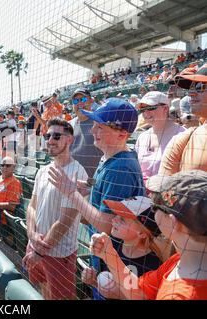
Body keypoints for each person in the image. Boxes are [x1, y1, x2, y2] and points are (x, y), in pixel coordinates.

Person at [47, 98, 145, 300]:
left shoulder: (120, 167)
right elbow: (105, 186)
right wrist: (88, 185)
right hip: (104, 258)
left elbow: (106, 225)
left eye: (100, 127)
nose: (92, 131)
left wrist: (71, 192)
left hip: (117, 263)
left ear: (122, 133)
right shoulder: (113, 157)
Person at [90, 170, 207, 300]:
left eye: (157, 207)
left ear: (173, 223)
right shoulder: (178, 261)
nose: (154, 209)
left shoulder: (179, 295)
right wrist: (109, 255)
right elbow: (140, 293)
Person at [23, 118, 88, 300]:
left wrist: (39, 251)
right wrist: (31, 234)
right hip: (36, 245)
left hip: (59, 253)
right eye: (47, 135)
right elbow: (31, 207)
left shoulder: (77, 172)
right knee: (44, 290)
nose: (50, 140)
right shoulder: (43, 170)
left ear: (69, 140)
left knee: (61, 297)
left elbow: (65, 220)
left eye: (56, 136)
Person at [82, 196, 165, 299]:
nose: (114, 219)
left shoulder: (153, 264)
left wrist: (120, 295)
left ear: (142, 233)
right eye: (116, 214)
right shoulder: (112, 244)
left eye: (122, 219)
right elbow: (105, 284)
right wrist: (93, 281)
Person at [159, 64, 207, 174]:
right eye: (191, 87)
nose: (191, 92)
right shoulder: (184, 139)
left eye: (200, 86)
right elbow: (163, 188)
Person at [135, 92, 185, 183]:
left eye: (150, 108)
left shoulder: (182, 134)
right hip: (143, 194)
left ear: (165, 108)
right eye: (142, 109)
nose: (145, 113)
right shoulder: (142, 137)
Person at [69, 88, 103, 178]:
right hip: (72, 178)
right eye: (76, 101)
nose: (79, 103)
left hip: (93, 180)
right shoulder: (68, 125)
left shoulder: (99, 121)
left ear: (91, 101)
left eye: (83, 99)